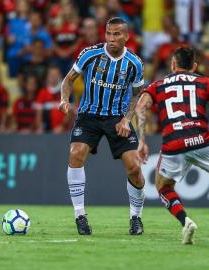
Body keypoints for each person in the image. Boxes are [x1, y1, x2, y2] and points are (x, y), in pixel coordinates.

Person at [136, 46, 209, 245]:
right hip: (203, 140)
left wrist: (142, 140)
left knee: (163, 186)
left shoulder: (157, 85)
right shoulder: (205, 82)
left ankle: (186, 221)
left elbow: (141, 107)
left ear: (173, 65)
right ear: (195, 66)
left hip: (174, 143)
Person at [58, 17, 146, 235]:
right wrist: (64, 99)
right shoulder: (90, 54)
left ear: (126, 36)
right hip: (89, 116)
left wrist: (127, 119)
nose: (111, 38)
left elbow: (137, 96)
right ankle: (80, 215)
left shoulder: (134, 63)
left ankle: (136, 218)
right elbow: (69, 80)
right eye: (108, 33)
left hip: (117, 118)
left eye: (116, 34)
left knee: (134, 167)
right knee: (75, 154)